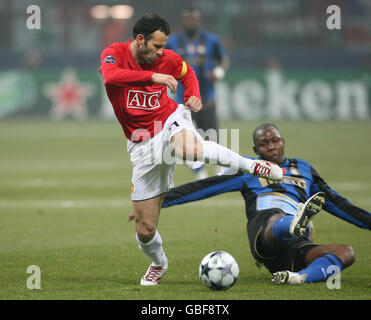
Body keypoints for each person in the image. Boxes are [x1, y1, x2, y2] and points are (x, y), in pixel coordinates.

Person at [99, 15, 282, 286]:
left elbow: (186, 72)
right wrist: (153, 76)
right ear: (140, 40)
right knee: (145, 230)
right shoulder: (114, 53)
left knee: (190, 150)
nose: (162, 52)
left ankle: (253, 165)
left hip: (169, 119)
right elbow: (111, 77)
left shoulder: (168, 59)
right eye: (157, 47)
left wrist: (192, 94)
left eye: (163, 47)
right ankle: (158, 264)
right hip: (141, 145)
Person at [160, 123, 371, 285]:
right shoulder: (249, 168)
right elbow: (205, 186)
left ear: (283, 141)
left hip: (295, 249)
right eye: (264, 144)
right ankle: (292, 223)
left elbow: (337, 203)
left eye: (275, 141)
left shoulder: (304, 169)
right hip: (265, 235)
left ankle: (298, 278)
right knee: (276, 216)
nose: (271, 147)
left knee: (346, 252)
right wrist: (156, 202)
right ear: (256, 148)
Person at [166, 8, 230, 179]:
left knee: (212, 138)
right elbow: (162, 59)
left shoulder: (211, 40)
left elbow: (224, 59)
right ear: (183, 21)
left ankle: (219, 171)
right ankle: (198, 172)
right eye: (188, 19)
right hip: (182, 104)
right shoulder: (173, 42)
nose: (191, 22)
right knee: (183, 141)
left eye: (194, 19)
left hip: (206, 100)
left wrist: (219, 72)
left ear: (199, 21)